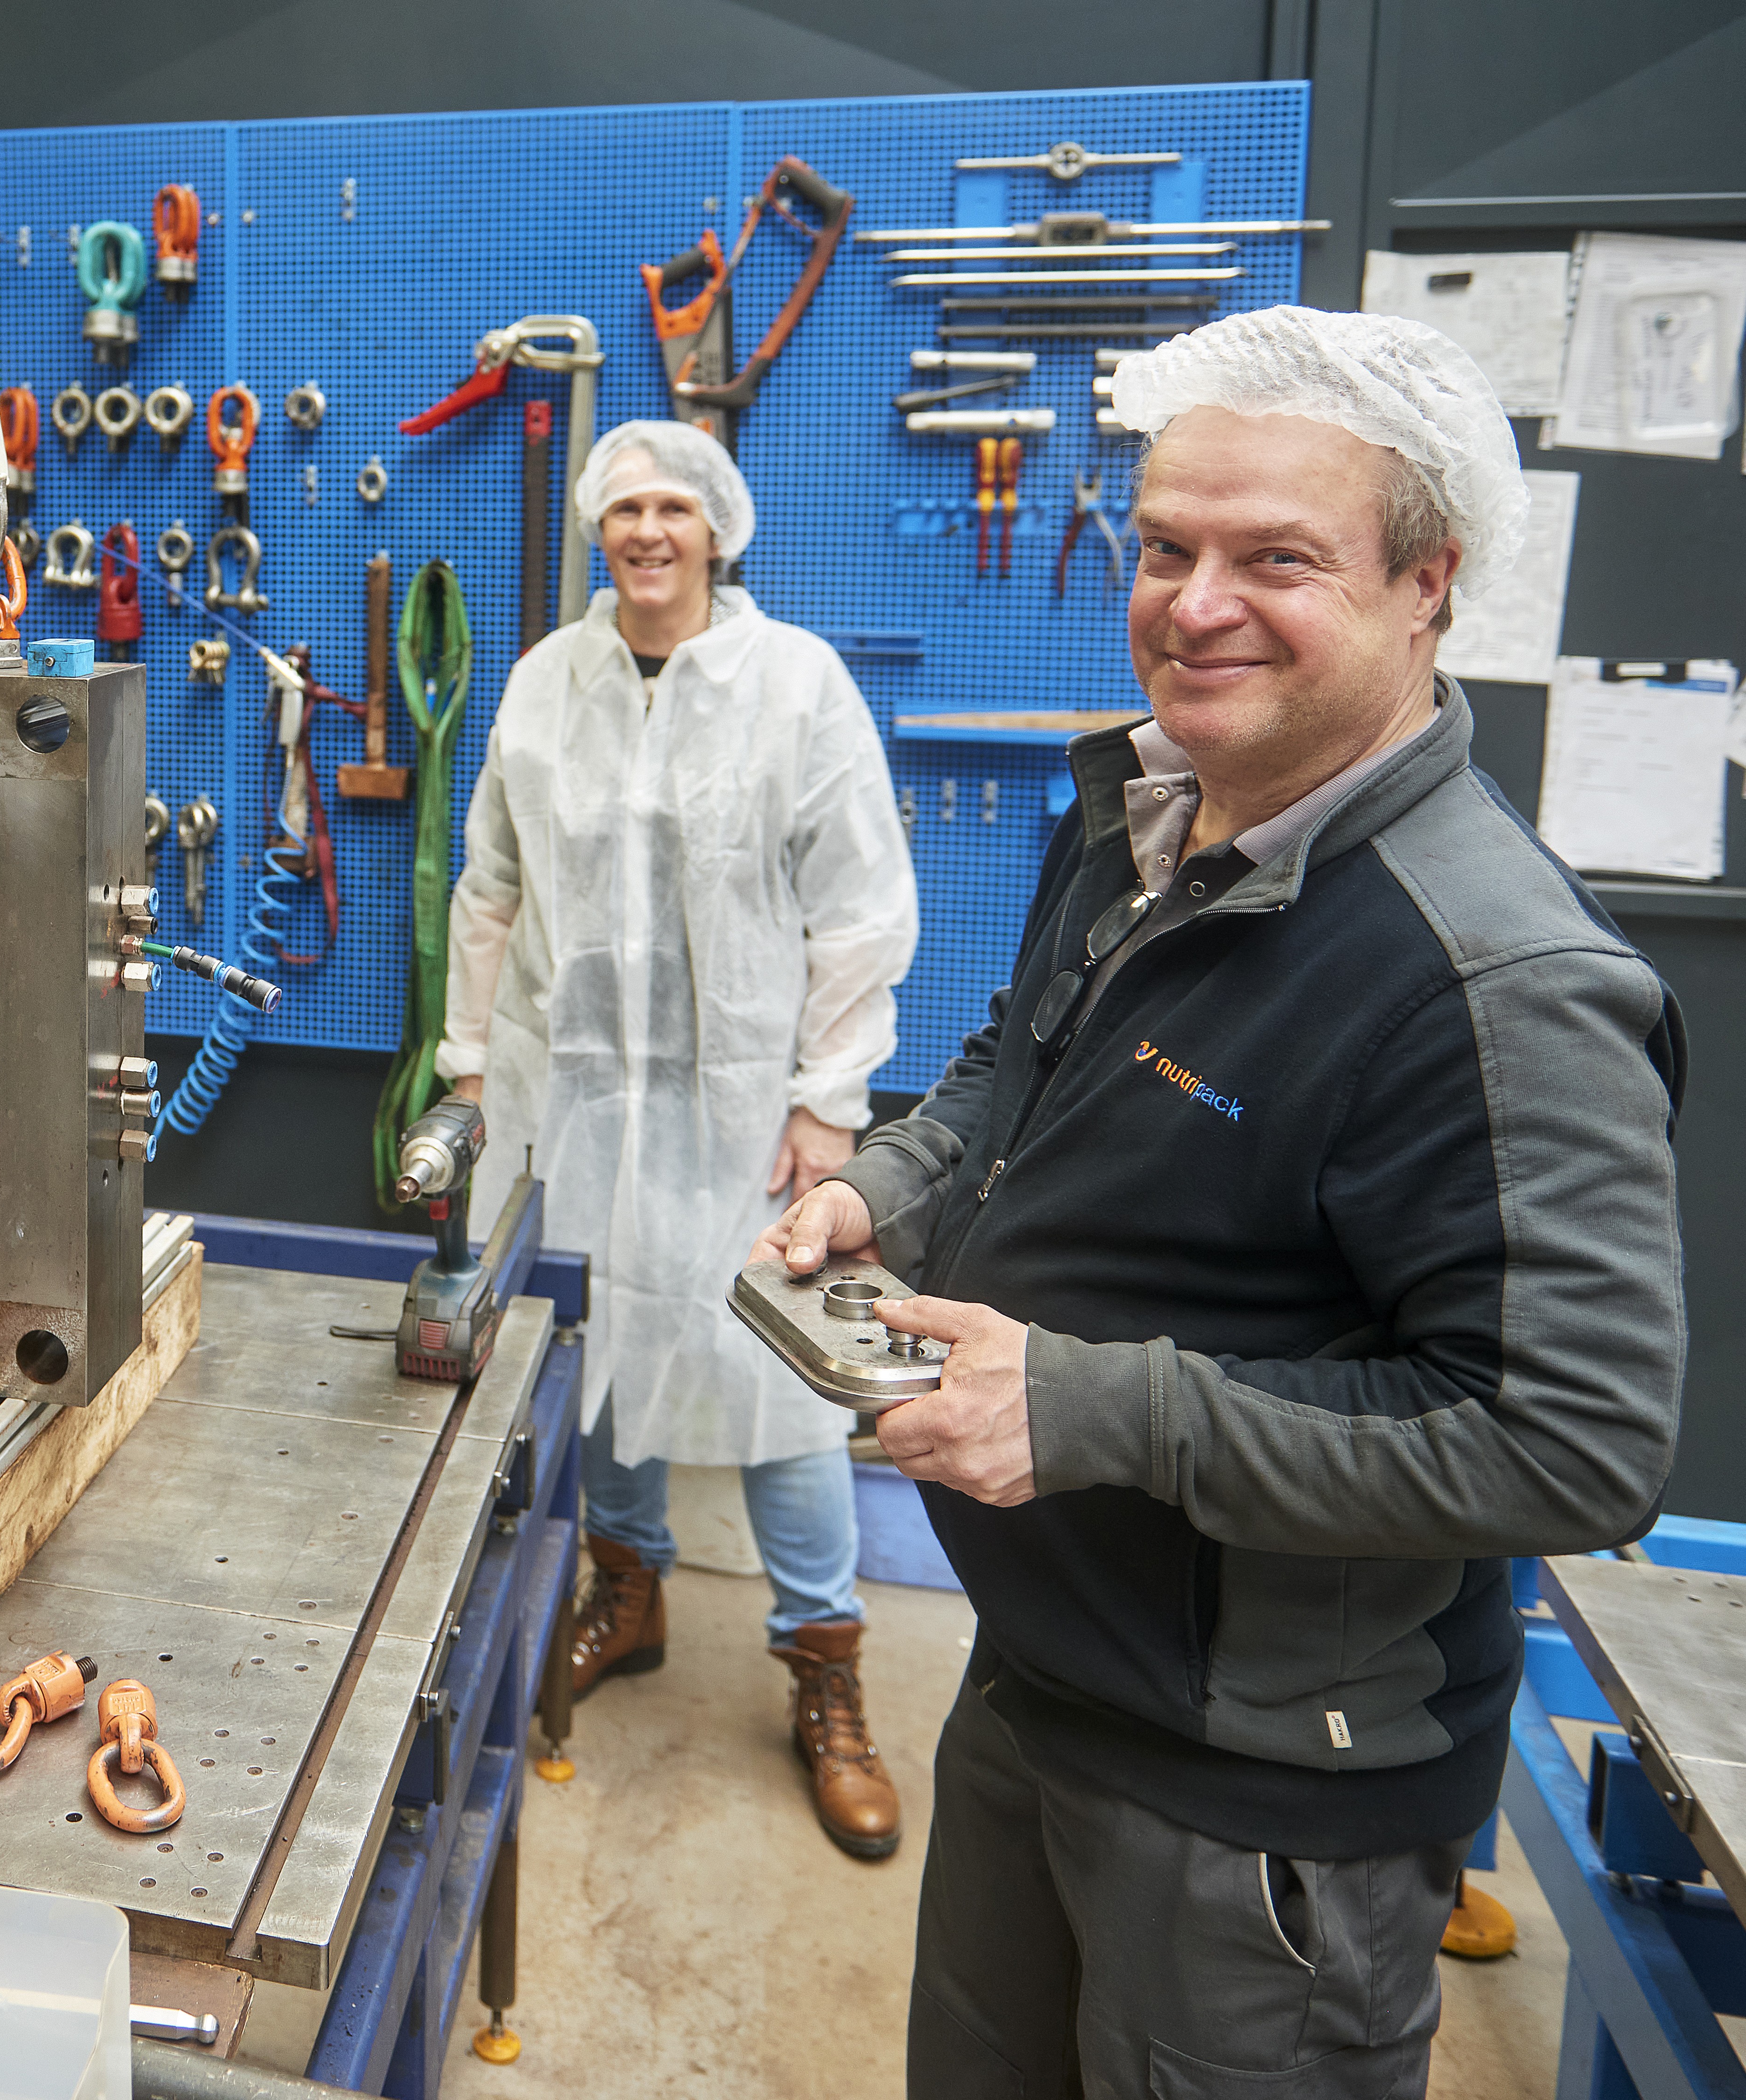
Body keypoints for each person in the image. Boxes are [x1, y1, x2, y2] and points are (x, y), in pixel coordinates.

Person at [753, 306, 1685, 2096]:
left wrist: (1092, 1407)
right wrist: (889, 1190)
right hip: (1044, 1674)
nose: (1193, 605)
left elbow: (1572, 1445)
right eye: (1166, 547)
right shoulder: (1143, 809)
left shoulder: (1497, 982)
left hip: (1269, 1807)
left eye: (1278, 559)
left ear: (1429, 584)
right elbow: (1012, 1073)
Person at [441, 420, 920, 1858]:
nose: (649, 532)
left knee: (782, 1385)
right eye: (625, 508)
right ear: (600, 530)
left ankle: (825, 1669)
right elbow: (490, 889)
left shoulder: (795, 688)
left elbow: (861, 898)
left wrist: (833, 1095)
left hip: (741, 1111)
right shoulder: (545, 684)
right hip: (570, 1093)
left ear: (720, 529)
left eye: (674, 509)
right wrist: (471, 1073)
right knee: (602, 1348)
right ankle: (629, 1587)